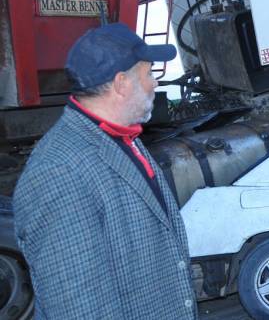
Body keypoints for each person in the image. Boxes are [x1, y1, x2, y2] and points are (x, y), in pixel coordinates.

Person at [13, 23, 196, 318]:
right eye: (149, 73)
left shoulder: (120, 137)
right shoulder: (59, 172)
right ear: (121, 83)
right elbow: (79, 307)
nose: (155, 83)